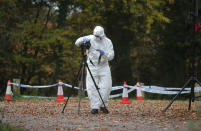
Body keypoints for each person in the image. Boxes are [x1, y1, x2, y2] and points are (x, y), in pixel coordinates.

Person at [75, 26, 114, 114]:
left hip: (104, 66)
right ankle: (94, 107)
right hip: (91, 66)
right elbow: (77, 43)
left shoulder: (108, 42)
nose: (96, 37)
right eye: (95, 35)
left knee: (106, 87)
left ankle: (102, 105)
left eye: (98, 36)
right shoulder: (89, 38)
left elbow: (111, 56)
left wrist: (105, 54)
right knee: (91, 87)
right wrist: (82, 40)